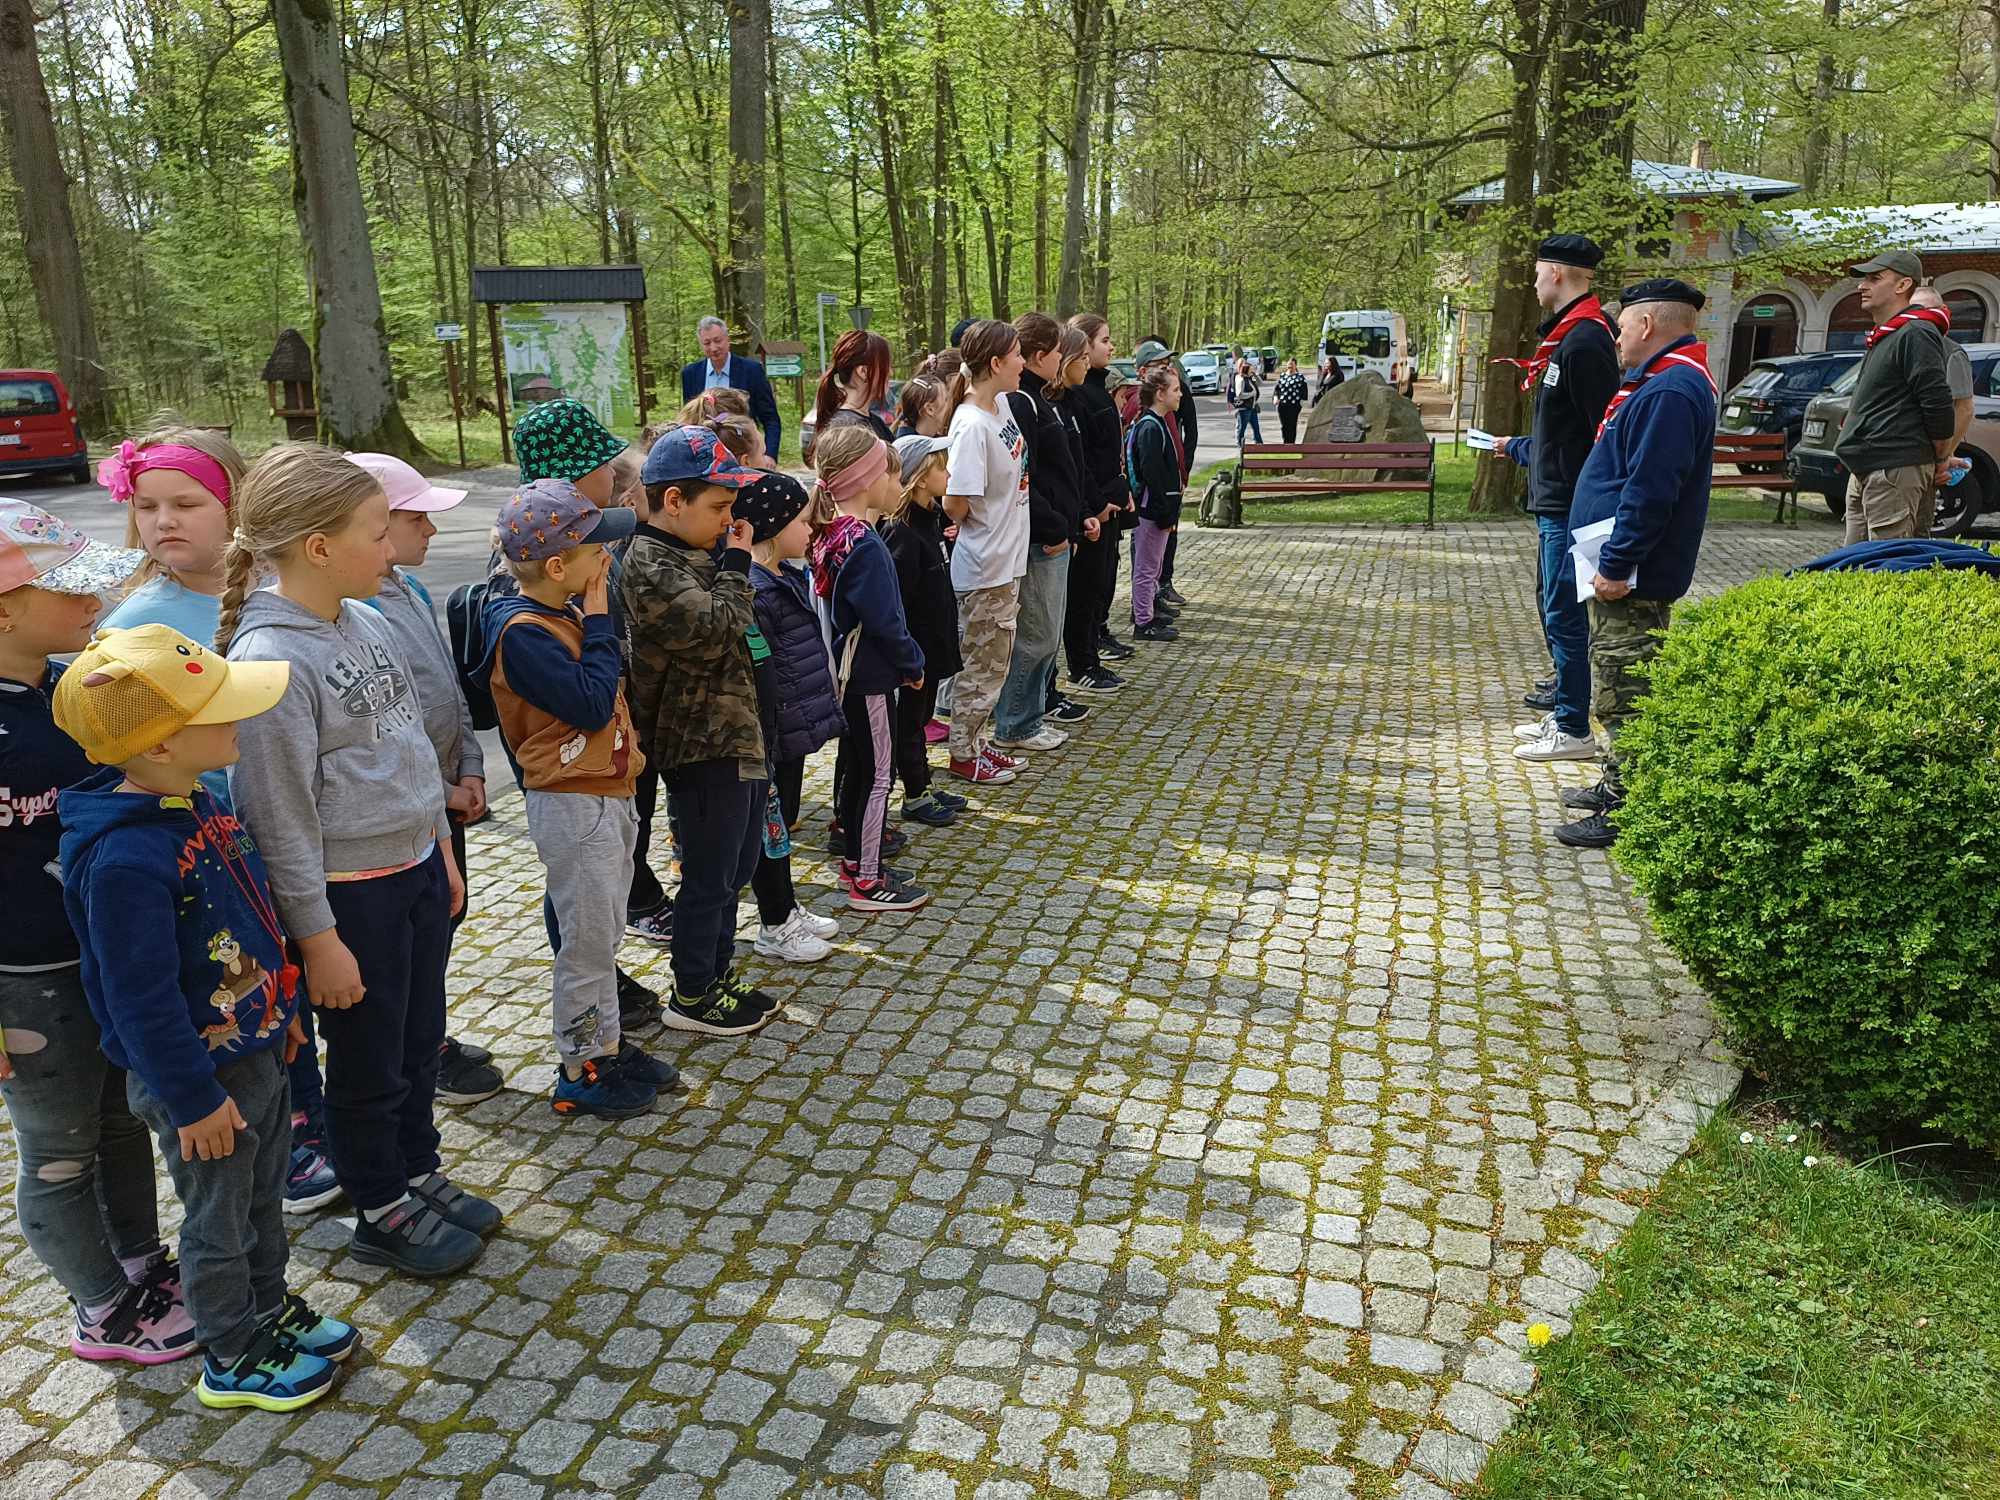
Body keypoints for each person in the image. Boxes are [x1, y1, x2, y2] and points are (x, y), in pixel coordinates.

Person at [55, 624, 360, 1410]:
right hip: (199, 1081)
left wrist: (284, 1006)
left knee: (261, 1198)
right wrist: (192, 1099)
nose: (239, 720)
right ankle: (231, 1351)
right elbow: (138, 998)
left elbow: (251, 917)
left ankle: (267, 1310)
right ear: (159, 746)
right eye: (219, 711)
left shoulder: (197, 799)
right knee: (219, 1217)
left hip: (256, 1047)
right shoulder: (125, 860)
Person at [217, 444, 494, 1278]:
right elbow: (278, 819)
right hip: (348, 902)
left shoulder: (365, 618)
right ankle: (379, 1204)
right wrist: (320, 937)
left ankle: (418, 1167)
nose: (392, 548)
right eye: (378, 532)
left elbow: (410, 751)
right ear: (318, 547)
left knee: (416, 1041)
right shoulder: (270, 662)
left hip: (413, 872)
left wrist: (439, 851)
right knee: (368, 1059)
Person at [0, 504, 193, 1368]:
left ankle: (140, 1267)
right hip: (25, 982)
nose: (93, 604)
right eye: (66, 590)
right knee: (57, 1149)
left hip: (101, 956)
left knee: (118, 1122)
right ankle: (102, 1309)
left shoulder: (71, 679)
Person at [484, 479, 674, 1117]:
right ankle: (582, 1065)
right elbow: (592, 704)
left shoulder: (561, 612)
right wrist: (598, 620)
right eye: (598, 550)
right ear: (559, 565)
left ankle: (609, 1043)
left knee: (603, 931)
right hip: (573, 803)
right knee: (587, 943)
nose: (609, 561)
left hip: (602, 793)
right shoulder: (524, 633)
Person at [350, 454, 506, 1111]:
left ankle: (427, 1037)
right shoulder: (356, 606)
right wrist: (441, 791)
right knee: (409, 940)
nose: (432, 534)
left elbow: (443, 688)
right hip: (411, 808)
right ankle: (412, 1056)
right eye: (419, 519)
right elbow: (380, 727)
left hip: (444, 796)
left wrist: (470, 766)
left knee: (446, 915)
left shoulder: (409, 590)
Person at [621, 426, 780, 1034]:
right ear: (672, 502)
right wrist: (738, 563)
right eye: (718, 507)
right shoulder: (650, 563)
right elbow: (718, 626)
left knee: (736, 867)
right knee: (710, 875)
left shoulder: (691, 555)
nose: (729, 520)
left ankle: (716, 974)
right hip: (697, 741)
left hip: (733, 734)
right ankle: (692, 993)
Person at [511, 403, 668, 1010]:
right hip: (573, 759)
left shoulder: (581, 543)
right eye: (605, 466)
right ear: (577, 477)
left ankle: (603, 978)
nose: (615, 475)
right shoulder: (536, 577)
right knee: (578, 888)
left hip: (610, 742)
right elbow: (572, 694)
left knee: (609, 868)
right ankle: (594, 1001)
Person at [1554, 278, 1719, 849]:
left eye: (1622, 326)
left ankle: (1630, 806)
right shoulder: (1660, 381)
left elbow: (1652, 488)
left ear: (1646, 325)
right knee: (1616, 681)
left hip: (1632, 574)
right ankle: (1617, 783)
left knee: (1626, 689)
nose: (1617, 338)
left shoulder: (1672, 390)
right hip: (1618, 563)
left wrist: (1619, 564)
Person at [1488, 233, 1621, 764]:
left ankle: (1574, 728)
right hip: (1553, 499)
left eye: (1540, 272)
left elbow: (1601, 433)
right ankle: (1566, 711)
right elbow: (1560, 431)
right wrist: (1522, 450)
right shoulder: (1568, 339)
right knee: (1553, 608)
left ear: (1560, 274)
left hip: (1570, 504)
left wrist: (1591, 504)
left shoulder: (1586, 341)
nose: (1535, 282)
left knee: (1564, 612)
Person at [810, 428, 931, 911]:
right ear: (865, 479)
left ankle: (859, 859)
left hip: (852, 675)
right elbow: (886, 620)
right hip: (872, 678)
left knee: (862, 768)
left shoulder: (836, 534)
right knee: (881, 775)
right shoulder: (865, 544)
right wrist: (913, 663)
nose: (895, 480)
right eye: (887, 469)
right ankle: (868, 878)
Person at [739, 472, 846, 961]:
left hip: (791, 729)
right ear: (773, 525)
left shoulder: (784, 575)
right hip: (772, 731)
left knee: (784, 820)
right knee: (771, 828)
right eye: (803, 521)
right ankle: (775, 922)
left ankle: (786, 907)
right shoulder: (756, 591)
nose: (811, 530)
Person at [942, 320, 1030, 784]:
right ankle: (962, 753)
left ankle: (978, 742)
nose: (1023, 361)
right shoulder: (971, 424)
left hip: (1006, 561)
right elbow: (955, 501)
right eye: (1017, 354)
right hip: (985, 567)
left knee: (996, 663)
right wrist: (982, 530)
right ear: (995, 363)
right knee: (981, 667)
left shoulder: (1001, 406)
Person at [993, 312, 1083, 753]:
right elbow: (1025, 477)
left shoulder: (1037, 400)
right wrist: (1052, 525)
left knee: (1047, 632)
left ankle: (1029, 713)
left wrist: (1075, 516)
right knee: (1037, 634)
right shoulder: (1020, 404)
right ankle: (1015, 722)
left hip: (1054, 531)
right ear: (1041, 356)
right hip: (1039, 537)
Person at [1833, 250, 1956, 543]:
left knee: (1888, 568)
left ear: (1903, 286)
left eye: (1875, 279)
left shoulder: (1915, 332)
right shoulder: (1888, 334)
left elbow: (1938, 403)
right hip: (1868, 468)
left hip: (1893, 468)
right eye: (1864, 280)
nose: (1862, 286)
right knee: (1853, 572)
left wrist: (1941, 457)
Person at [881, 434, 968, 826]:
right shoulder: (902, 532)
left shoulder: (931, 519)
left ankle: (924, 782)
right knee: (911, 721)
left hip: (933, 642)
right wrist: (908, 655)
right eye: (941, 467)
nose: (949, 474)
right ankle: (914, 792)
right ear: (919, 477)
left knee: (924, 715)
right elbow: (898, 599)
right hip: (916, 647)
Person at [99, 426, 246, 638]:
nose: (165, 522)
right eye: (147, 507)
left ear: (236, 505)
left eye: (186, 505)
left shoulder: (287, 587)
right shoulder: (131, 627)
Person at [1065, 318, 1128, 695]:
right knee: (1085, 589)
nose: (1111, 347)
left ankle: (1092, 654)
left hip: (1108, 505)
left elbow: (1109, 455)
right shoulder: (1079, 398)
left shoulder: (1097, 392)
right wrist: (1096, 503)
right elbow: (1082, 460)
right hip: (1094, 509)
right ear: (1083, 346)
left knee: (1101, 582)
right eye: (1104, 340)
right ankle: (1082, 663)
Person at [1129, 364, 1186, 642]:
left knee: (1154, 566)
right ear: (1160, 393)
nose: (1181, 395)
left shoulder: (1160, 423)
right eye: (1175, 390)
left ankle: (1149, 612)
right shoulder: (1150, 427)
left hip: (1161, 509)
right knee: (1146, 567)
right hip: (1152, 510)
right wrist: (1163, 509)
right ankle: (1142, 621)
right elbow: (1151, 472)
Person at [1908, 286, 1975, 508]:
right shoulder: (1907, 343)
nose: (1922, 319)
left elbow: (1964, 408)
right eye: (1915, 312)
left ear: (1944, 311)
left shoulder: (1951, 352)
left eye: (1929, 311)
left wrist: (1943, 458)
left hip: (1924, 459)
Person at [682, 315, 783, 457]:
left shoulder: (752, 371)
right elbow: (689, 421)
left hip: (744, 453)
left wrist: (770, 455)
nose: (713, 347)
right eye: (707, 343)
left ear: (727, 339)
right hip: (705, 456)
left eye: (718, 341)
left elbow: (770, 418)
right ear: (701, 345)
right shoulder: (691, 374)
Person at [815, 330, 897, 443]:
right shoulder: (848, 431)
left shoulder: (873, 422)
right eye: (886, 366)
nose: (890, 373)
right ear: (864, 372)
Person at [894, 373, 951, 439]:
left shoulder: (917, 441)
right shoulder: (912, 447)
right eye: (946, 400)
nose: (950, 404)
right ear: (930, 409)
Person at [1230, 357, 1265, 446]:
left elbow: (1261, 383)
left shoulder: (1250, 378)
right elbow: (1238, 394)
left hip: (1252, 406)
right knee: (1241, 427)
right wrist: (1251, 394)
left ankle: (1260, 445)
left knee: (1256, 428)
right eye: (1242, 364)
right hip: (1244, 407)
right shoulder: (1239, 378)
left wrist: (1254, 374)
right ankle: (1240, 445)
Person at [1274, 357, 1309, 443]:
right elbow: (1277, 389)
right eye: (1289, 364)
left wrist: (1302, 403)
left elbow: (1304, 391)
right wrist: (1276, 397)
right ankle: (1285, 442)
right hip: (1282, 405)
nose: (1290, 366)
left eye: (1292, 365)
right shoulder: (1282, 376)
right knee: (1284, 425)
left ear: (1295, 366)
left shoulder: (1300, 377)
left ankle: (1291, 443)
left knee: (1292, 424)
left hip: (1294, 405)